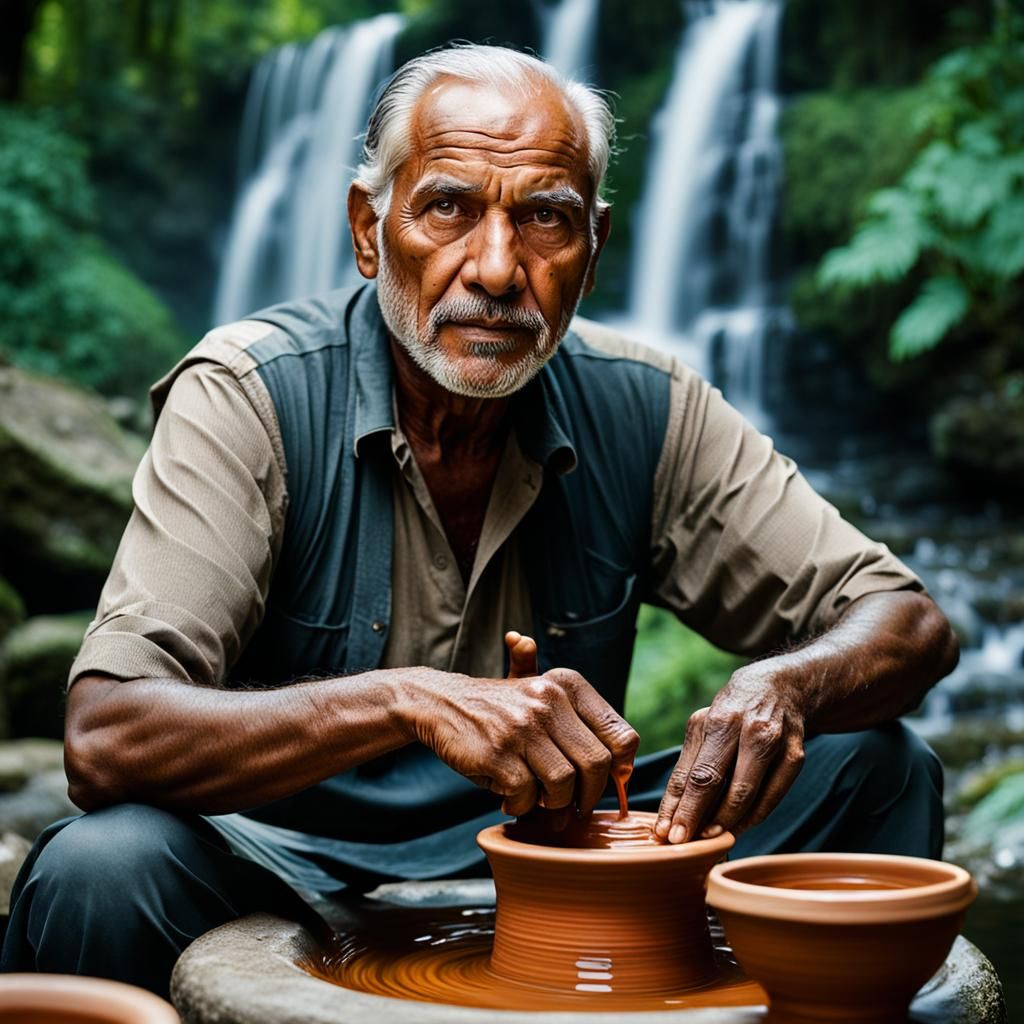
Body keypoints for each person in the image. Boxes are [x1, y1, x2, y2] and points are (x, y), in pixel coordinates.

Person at [1, 45, 957, 997]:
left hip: (562, 844)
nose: (498, 270)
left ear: (595, 251)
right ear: (369, 231)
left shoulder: (647, 408)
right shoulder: (253, 395)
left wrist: (783, 686)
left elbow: (906, 622)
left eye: (546, 219)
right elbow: (106, 735)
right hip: (276, 856)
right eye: (449, 208)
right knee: (101, 868)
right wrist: (406, 698)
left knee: (876, 768)